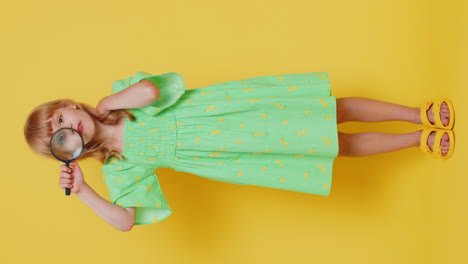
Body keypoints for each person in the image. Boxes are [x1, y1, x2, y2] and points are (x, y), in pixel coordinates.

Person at [23, 71, 455, 232]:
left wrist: (110, 105)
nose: (65, 127)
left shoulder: (119, 98)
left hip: (234, 110)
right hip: (230, 152)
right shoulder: (120, 166)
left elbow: (153, 89)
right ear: (68, 154)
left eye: (59, 117)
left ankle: (417, 113)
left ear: (69, 105)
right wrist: (83, 192)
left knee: (330, 108)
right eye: (57, 136)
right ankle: (417, 140)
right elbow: (125, 221)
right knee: (330, 145)